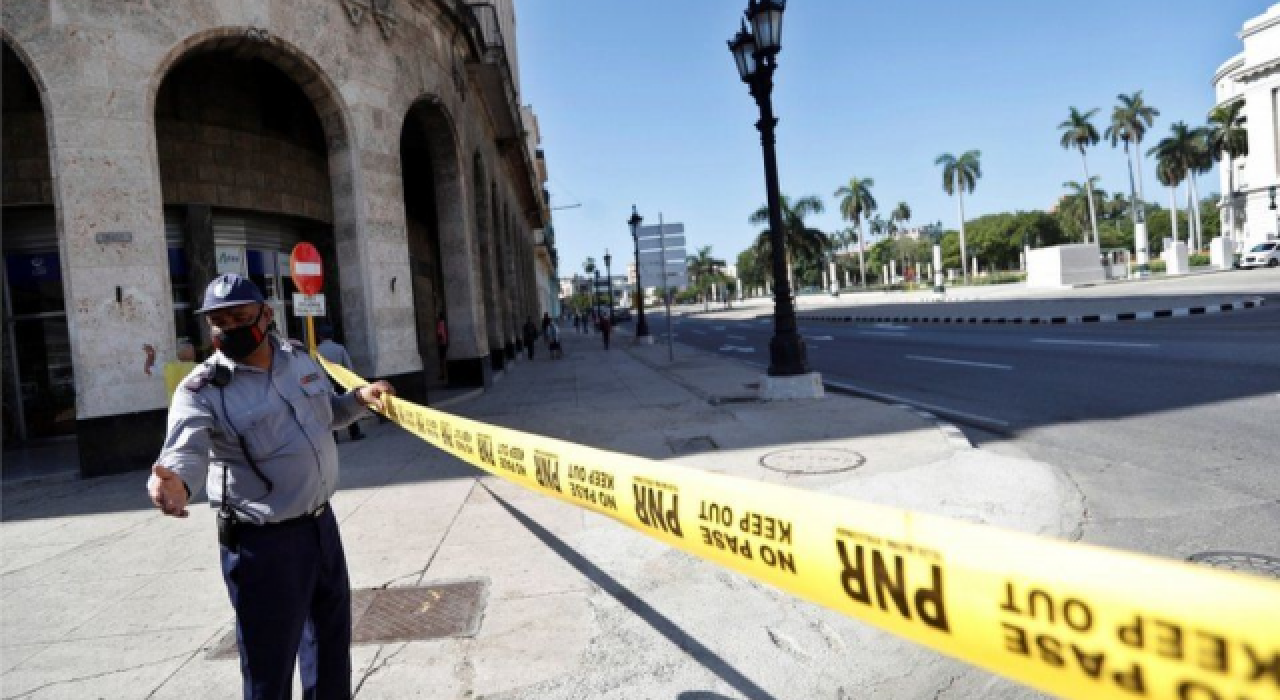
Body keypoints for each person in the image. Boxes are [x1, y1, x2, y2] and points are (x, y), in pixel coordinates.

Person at [146, 273, 395, 699]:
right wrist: (176, 484)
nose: (230, 329)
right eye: (219, 322)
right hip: (263, 545)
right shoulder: (202, 390)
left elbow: (325, 416)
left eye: (240, 316)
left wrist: (358, 401)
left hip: (321, 527)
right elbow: (186, 450)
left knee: (330, 649)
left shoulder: (298, 358)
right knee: (269, 668)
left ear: (266, 314)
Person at [316, 326, 364, 442]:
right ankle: (355, 433)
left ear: (320, 336)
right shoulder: (339, 348)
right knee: (347, 407)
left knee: (328, 408)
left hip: (325, 383)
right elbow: (348, 367)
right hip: (340, 381)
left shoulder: (317, 350)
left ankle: (334, 437)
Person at [435, 311, 449, 381]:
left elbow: (439, 334)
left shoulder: (440, 324)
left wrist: (439, 341)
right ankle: (445, 374)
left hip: (442, 344)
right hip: (445, 343)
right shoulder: (445, 323)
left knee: (442, 360)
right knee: (444, 359)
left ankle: (443, 374)